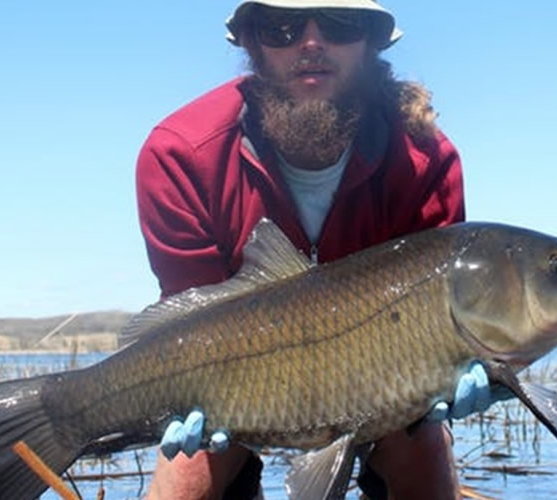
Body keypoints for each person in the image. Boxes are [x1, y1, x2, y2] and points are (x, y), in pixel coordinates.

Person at [136, 1, 505, 498]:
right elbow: (190, 316)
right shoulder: (180, 155)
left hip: (381, 378)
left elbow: (442, 319)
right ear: (251, 43)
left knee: (424, 451)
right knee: (185, 476)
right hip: (234, 381)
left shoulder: (426, 162)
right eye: (282, 28)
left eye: (339, 24)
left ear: (371, 41)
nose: (311, 43)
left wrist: (475, 364)